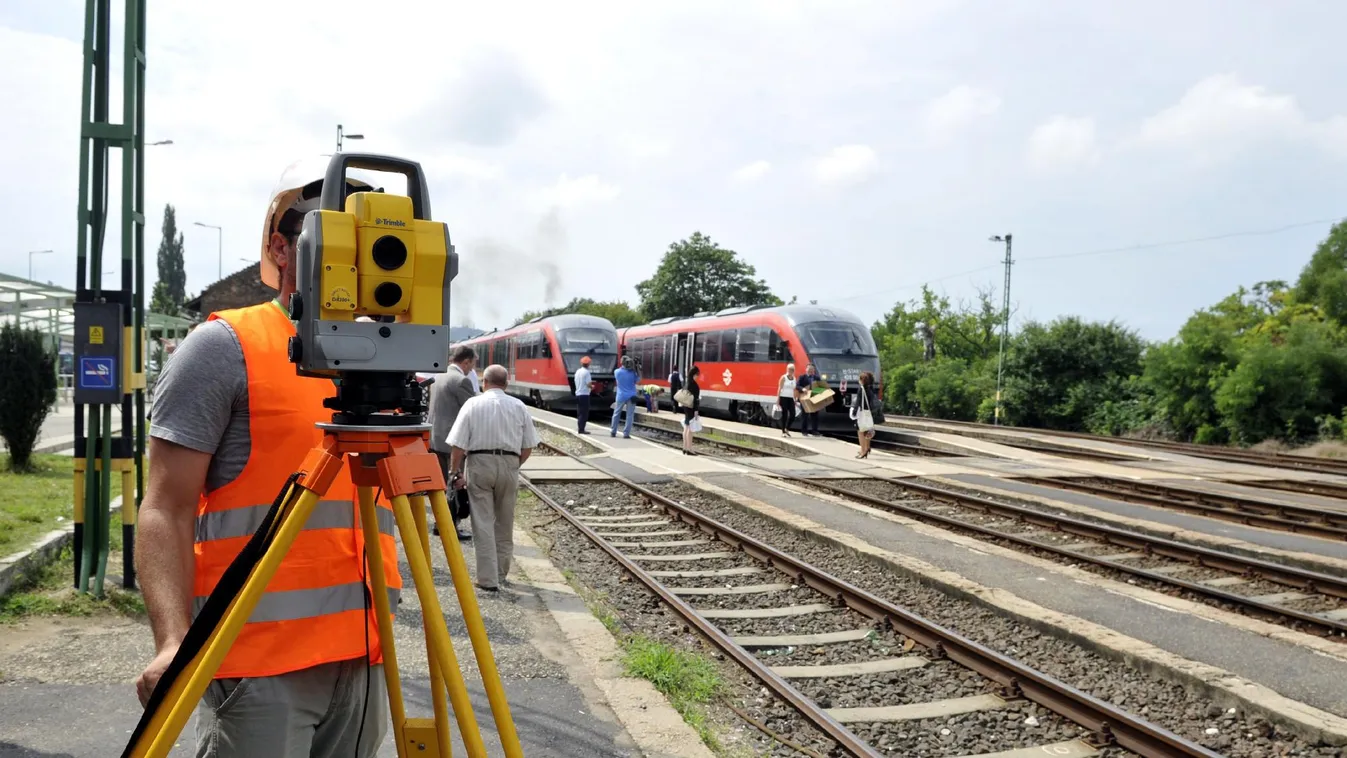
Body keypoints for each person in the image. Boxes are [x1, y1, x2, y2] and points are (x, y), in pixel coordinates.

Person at [134, 156, 400, 757]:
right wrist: (173, 640)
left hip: (364, 656)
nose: (351, 251)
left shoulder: (382, 364)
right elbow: (165, 507)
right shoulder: (224, 348)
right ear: (282, 248)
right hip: (257, 663)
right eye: (330, 232)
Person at [445, 365, 539, 591]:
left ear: (484, 383)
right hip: (510, 464)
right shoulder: (519, 406)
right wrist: (513, 465)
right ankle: (501, 573)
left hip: (480, 463)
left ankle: (488, 580)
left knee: (483, 522)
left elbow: (458, 445)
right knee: (505, 522)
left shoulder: (473, 404)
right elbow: (528, 446)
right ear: (506, 384)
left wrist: (455, 471)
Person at [428, 346, 477, 540]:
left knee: (442, 483)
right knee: (453, 483)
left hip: (436, 437)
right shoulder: (461, 381)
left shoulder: (440, 375)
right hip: (452, 441)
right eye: (472, 364)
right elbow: (473, 409)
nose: (472, 369)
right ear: (465, 362)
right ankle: (449, 527)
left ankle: (440, 523)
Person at [852, 371, 882, 458]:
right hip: (870, 413)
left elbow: (858, 402)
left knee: (860, 431)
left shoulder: (861, 389)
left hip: (862, 413)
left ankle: (863, 450)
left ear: (862, 380)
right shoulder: (870, 388)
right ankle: (867, 447)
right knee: (868, 431)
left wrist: (854, 411)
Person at [610, 355, 638, 438]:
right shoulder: (633, 373)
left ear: (622, 363)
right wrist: (636, 369)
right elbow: (638, 380)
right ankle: (626, 434)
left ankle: (613, 431)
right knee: (629, 415)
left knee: (616, 413)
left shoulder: (617, 372)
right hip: (632, 396)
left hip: (621, 396)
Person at [795, 362, 824, 436]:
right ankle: (804, 431)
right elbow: (797, 386)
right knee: (805, 415)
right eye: (809, 369)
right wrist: (803, 389)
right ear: (806, 369)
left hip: (814, 398)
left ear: (814, 370)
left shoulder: (817, 378)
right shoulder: (802, 377)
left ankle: (815, 431)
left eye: (812, 369)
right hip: (805, 398)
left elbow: (820, 387)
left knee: (815, 416)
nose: (811, 371)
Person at [680, 365, 701, 455]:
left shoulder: (687, 383)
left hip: (686, 407)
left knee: (686, 426)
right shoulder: (694, 385)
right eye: (698, 374)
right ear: (694, 374)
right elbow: (696, 399)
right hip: (692, 408)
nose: (698, 376)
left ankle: (685, 447)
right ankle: (689, 449)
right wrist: (696, 411)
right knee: (691, 429)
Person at [574, 355, 593, 434]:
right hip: (584, 395)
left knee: (579, 412)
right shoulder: (587, 372)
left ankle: (580, 428)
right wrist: (592, 387)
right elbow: (588, 384)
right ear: (588, 364)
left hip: (578, 393)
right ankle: (581, 429)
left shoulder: (578, 371)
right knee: (584, 413)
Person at [777, 362, 797, 437]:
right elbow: (779, 388)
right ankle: (783, 432)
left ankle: (787, 428)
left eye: (792, 369)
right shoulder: (783, 377)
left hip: (791, 398)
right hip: (783, 397)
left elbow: (794, 389)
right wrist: (778, 399)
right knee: (784, 414)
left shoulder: (794, 378)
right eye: (789, 369)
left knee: (793, 415)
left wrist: (795, 399)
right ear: (787, 369)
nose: (791, 371)